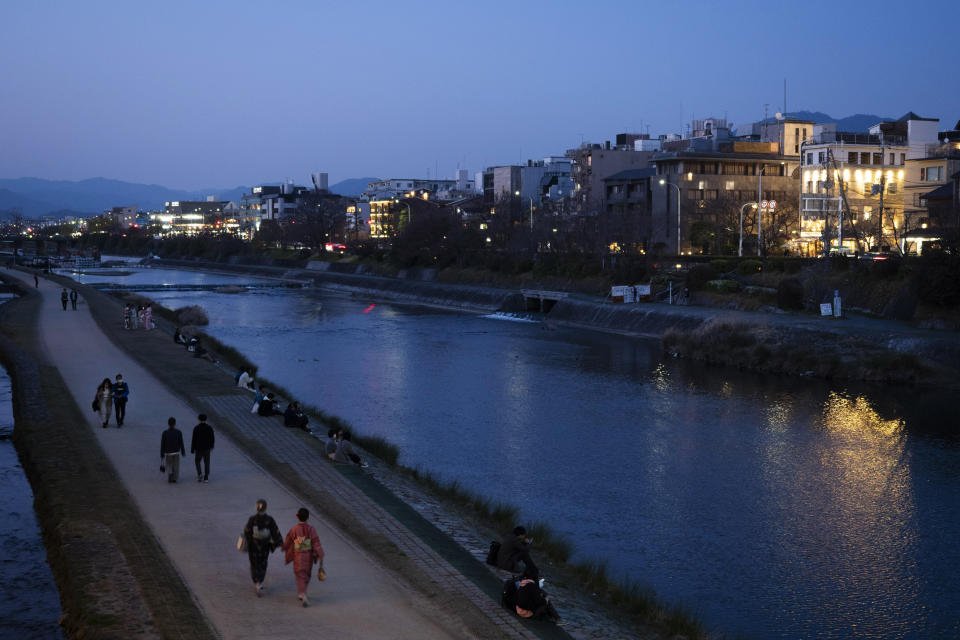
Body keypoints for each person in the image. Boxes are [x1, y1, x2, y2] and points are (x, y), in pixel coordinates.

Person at [283, 507, 323, 607]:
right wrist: (320, 554)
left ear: (297, 517)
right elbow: (316, 542)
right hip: (308, 557)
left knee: (299, 575)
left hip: (298, 556)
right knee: (306, 575)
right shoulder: (311, 529)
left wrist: (284, 547)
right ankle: (302, 592)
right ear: (308, 518)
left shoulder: (294, 529)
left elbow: (288, 540)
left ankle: (303, 594)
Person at [243, 499, 283, 597]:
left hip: (254, 545)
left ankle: (256, 581)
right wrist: (279, 542)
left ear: (256, 507)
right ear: (266, 507)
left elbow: (247, 531)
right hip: (264, 545)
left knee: (254, 563)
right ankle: (260, 581)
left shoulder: (252, 519)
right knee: (263, 563)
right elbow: (275, 532)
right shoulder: (269, 519)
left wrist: (249, 541)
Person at [190, 413, 215, 483]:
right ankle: (206, 477)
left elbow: (194, 439)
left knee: (197, 461)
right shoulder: (209, 428)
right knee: (207, 462)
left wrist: (192, 449)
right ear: (206, 419)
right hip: (207, 448)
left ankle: (200, 474)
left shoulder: (196, 428)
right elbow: (212, 438)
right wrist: (212, 446)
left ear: (199, 419)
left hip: (198, 448)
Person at [159, 417, 185, 483]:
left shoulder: (165, 433)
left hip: (168, 452)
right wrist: (183, 451)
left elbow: (162, 443)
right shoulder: (179, 432)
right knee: (176, 465)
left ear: (168, 424)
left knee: (169, 464)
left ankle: (170, 476)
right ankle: (175, 478)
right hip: (176, 451)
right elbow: (181, 442)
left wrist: (162, 453)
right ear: (175, 423)